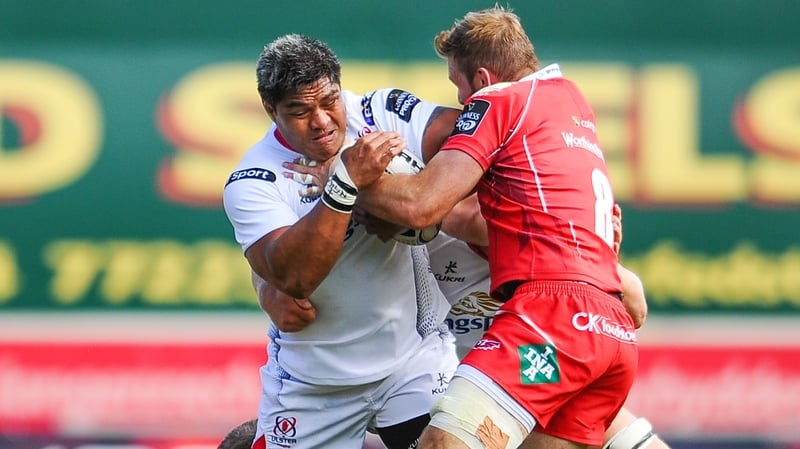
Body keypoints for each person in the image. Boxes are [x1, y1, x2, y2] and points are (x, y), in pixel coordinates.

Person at [338, 6, 639, 449]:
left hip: (550, 317)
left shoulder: (499, 100)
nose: (460, 100)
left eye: (457, 84)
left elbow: (422, 204)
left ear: (481, 77)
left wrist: (341, 182)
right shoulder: (570, 99)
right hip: (610, 327)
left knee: (441, 441)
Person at [221, 34, 464, 449]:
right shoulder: (253, 180)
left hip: (413, 360)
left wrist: (402, 200)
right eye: (299, 111)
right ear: (270, 110)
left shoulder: (381, 112)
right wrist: (346, 184)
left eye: (329, 101)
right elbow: (296, 277)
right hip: (315, 384)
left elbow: (475, 139)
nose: (321, 121)